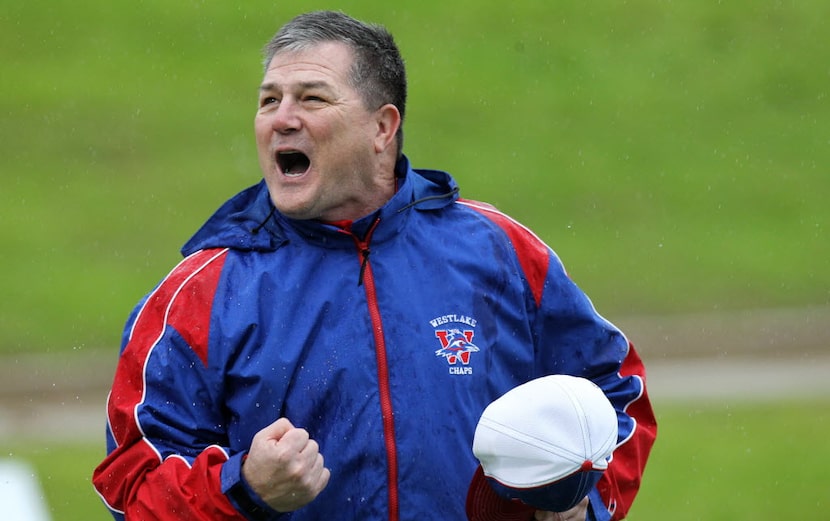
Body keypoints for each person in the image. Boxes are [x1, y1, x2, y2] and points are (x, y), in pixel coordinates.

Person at [92, 10, 656, 521]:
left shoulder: (500, 252)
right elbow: (130, 484)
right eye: (269, 100)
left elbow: (614, 388)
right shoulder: (202, 292)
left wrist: (582, 503)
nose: (281, 119)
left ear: (382, 128)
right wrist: (241, 489)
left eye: (311, 99)